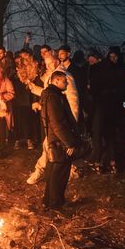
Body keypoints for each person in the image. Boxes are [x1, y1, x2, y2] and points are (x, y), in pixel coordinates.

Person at [40, 71, 81, 211]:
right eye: (64, 81)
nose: (67, 83)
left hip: (56, 140)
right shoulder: (53, 98)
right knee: (59, 174)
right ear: (56, 81)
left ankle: (48, 201)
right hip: (59, 141)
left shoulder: (51, 96)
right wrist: (69, 142)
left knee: (53, 173)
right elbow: (58, 124)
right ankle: (56, 203)